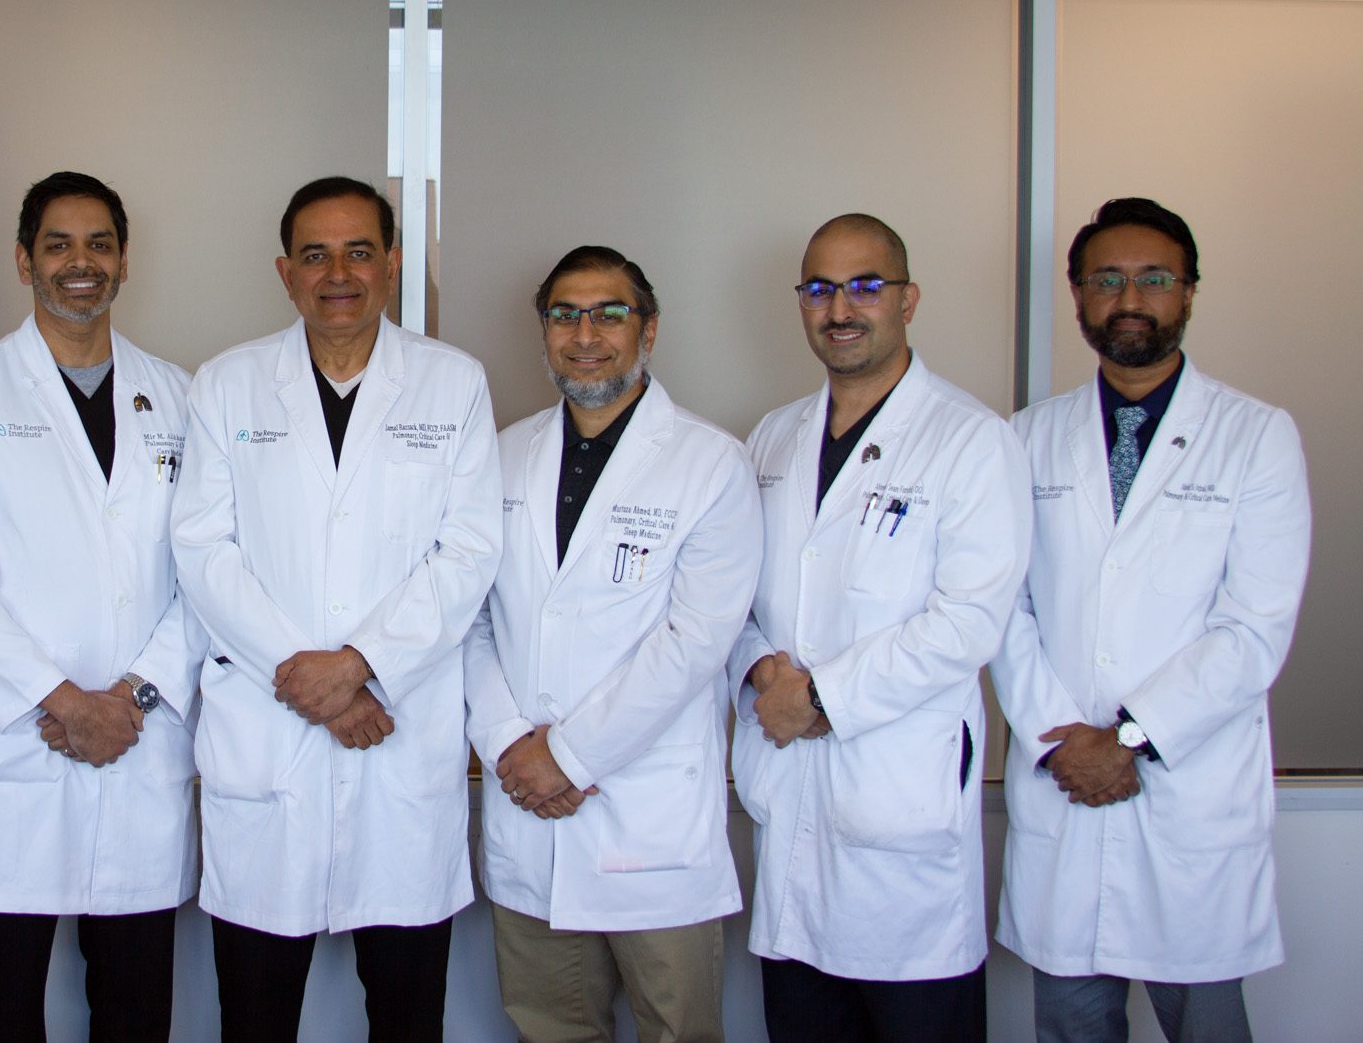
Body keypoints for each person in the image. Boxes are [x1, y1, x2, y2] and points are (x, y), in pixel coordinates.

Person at [170, 175, 502, 1043]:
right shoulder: (228, 384)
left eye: (359, 251)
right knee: (254, 1017)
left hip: (396, 735)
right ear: (286, 273)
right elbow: (203, 548)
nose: (338, 273)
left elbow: (468, 552)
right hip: (269, 740)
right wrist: (312, 681)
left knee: (406, 1015)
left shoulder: (453, 383)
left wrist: (359, 667)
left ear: (392, 264)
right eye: (315, 255)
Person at [991, 198, 1311, 1043]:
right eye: (1107, 278)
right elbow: (1002, 608)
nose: (1129, 297)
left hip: (1187, 792)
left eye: (1154, 278)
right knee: (1070, 1023)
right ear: (1078, 295)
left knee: (1207, 1024)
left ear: (1190, 291)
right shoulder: (1025, 437)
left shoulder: (1255, 436)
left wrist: (1128, 740)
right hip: (1064, 777)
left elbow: (1253, 629)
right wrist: (1064, 743)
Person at [0, 172, 201, 1042]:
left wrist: (133, 696)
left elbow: (206, 570)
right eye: (58, 244)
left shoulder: (178, 393)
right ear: (23, 260)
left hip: (139, 735)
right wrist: (66, 700)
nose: (82, 262)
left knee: (135, 1006)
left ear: (125, 260)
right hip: (24, 741)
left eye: (100, 244)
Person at [730, 213, 1030, 1043]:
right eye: (820, 289)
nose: (840, 308)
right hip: (790, 795)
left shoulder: (971, 439)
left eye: (865, 286)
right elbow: (731, 595)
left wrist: (820, 695)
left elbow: (969, 620)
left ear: (908, 298)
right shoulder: (773, 437)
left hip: (899, 813)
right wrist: (760, 671)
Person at [465, 246, 761, 1043]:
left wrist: (568, 756)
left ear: (649, 329)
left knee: (678, 1032)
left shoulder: (710, 462)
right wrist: (506, 743)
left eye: (609, 313)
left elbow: (695, 640)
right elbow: (471, 617)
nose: (585, 334)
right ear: (544, 331)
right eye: (564, 315)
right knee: (551, 1031)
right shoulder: (502, 452)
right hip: (529, 806)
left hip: (648, 820)